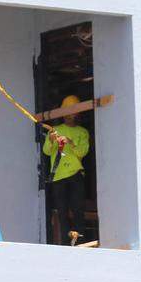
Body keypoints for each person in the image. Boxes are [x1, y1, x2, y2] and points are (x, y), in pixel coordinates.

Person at [44, 95, 92, 245]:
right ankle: (65, 242)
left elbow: (82, 152)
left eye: (74, 113)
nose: (71, 116)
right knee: (62, 210)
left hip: (76, 174)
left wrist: (70, 143)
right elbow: (46, 151)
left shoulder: (83, 132)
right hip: (58, 176)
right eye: (69, 113)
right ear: (64, 114)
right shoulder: (55, 130)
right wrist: (52, 140)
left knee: (78, 208)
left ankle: (80, 239)